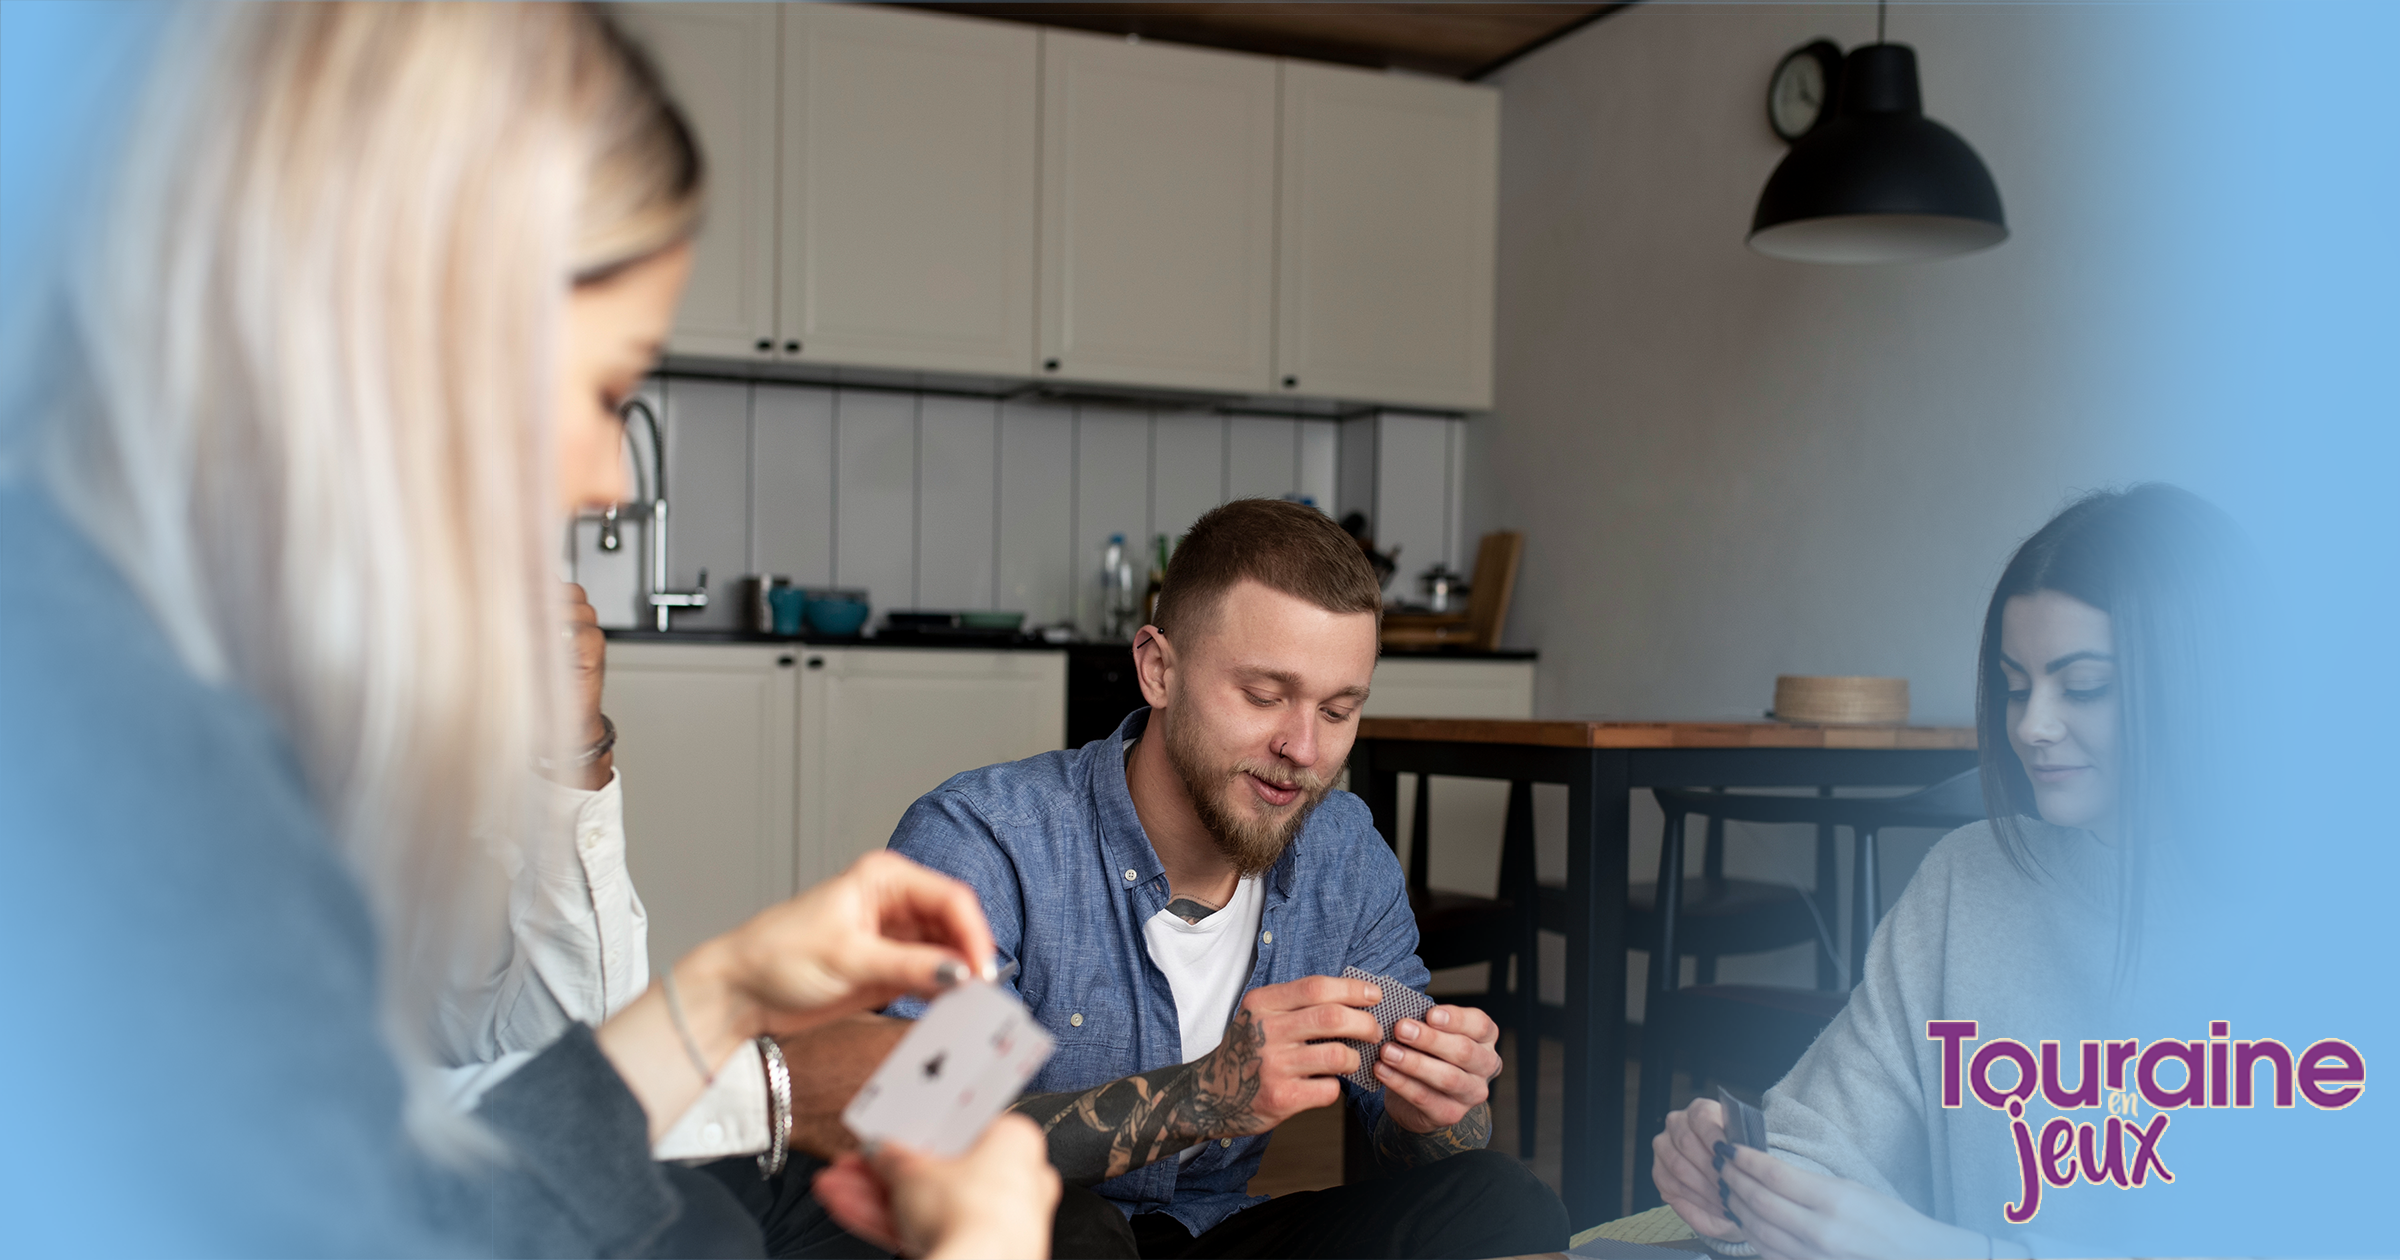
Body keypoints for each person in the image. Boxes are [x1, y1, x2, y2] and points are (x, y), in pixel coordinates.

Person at [0, 4, 1053, 1255]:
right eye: (609, 390)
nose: (613, 478)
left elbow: (406, 1179)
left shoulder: (128, 653)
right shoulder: (151, 768)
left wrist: (721, 999)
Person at [839, 498, 1567, 1259]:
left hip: (1212, 1232)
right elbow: (916, 1135)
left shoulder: (1343, 855)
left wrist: (1439, 1108)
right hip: (1027, 1235)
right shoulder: (985, 839)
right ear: (1158, 669)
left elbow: (1425, 1140)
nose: (1305, 748)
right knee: (1073, 1230)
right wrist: (1207, 1096)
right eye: (1263, 696)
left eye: (1340, 709)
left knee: (1503, 1203)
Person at [1648, 485, 2242, 1260]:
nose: (2032, 726)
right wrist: (1743, 1179)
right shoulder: (1966, 879)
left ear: (2198, 680)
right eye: (2015, 685)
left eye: (2085, 686)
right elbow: (1826, 1140)